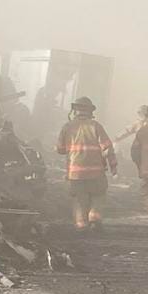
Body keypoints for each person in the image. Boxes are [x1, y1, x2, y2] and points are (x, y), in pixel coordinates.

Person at [56, 97, 117, 232]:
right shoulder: (95, 126)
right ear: (90, 111)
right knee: (98, 195)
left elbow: (60, 149)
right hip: (96, 172)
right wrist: (113, 167)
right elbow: (107, 148)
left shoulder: (67, 127)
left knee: (78, 199)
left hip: (75, 173)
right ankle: (94, 219)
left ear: (75, 110)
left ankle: (81, 224)